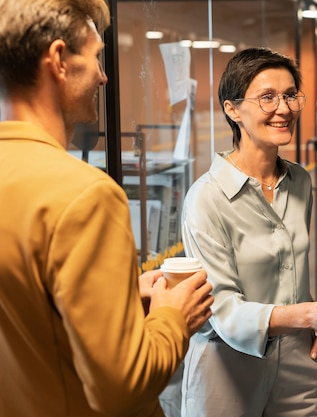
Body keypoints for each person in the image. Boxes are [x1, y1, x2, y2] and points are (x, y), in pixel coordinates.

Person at [0, 1, 214, 416]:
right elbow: (121, 389)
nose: (104, 75)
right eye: (96, 55)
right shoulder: (84, 196)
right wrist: (173, 318)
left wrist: (121, 298)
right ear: (59, 60)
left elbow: (26, 314)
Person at [180, 47, 317, 417]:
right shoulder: (205, 199)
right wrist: (311, 316)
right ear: (232, 110)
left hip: (297, 361)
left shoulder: (299, 181)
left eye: (290, 95)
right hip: (228, 367)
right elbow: (223, 311)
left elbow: (290, 274)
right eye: (267, 97)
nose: (284, 108)